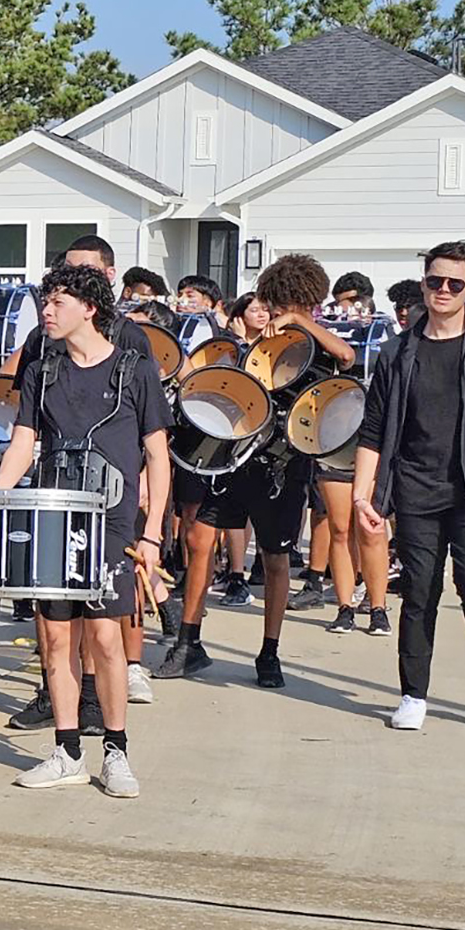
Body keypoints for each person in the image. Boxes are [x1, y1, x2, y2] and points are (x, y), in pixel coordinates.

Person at [0, 263, 170, 796]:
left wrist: (153, 531)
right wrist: (0, 493)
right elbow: (24, 440)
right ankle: (66, 750)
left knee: (107, 638)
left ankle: (115, 750)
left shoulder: (134, 370)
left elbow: (157, 456)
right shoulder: (42, 371)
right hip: (53, 514)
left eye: (57, 302)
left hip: (112, 522)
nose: (46, 311)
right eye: (45, 302)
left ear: (89, 308)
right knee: (53, 636)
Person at [354, 240, 465, 730]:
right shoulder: (397, 352)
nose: (443, 290)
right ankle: (413, 695)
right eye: (435, 280)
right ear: (424, 283)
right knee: (419, 592)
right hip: (416, 487)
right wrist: (362, 495)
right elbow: (372, 430)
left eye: (454, 283)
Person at [155, 253, 355, 688]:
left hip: (283, 464)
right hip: (238, 455)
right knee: (200, 538)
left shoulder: (316, 339)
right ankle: (189, 642)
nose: (276, 312)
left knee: (276, 557)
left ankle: (269, 653)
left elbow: (347, 356)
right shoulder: (261, 340)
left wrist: (301, 322)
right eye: (276, 304)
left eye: (285, 304)